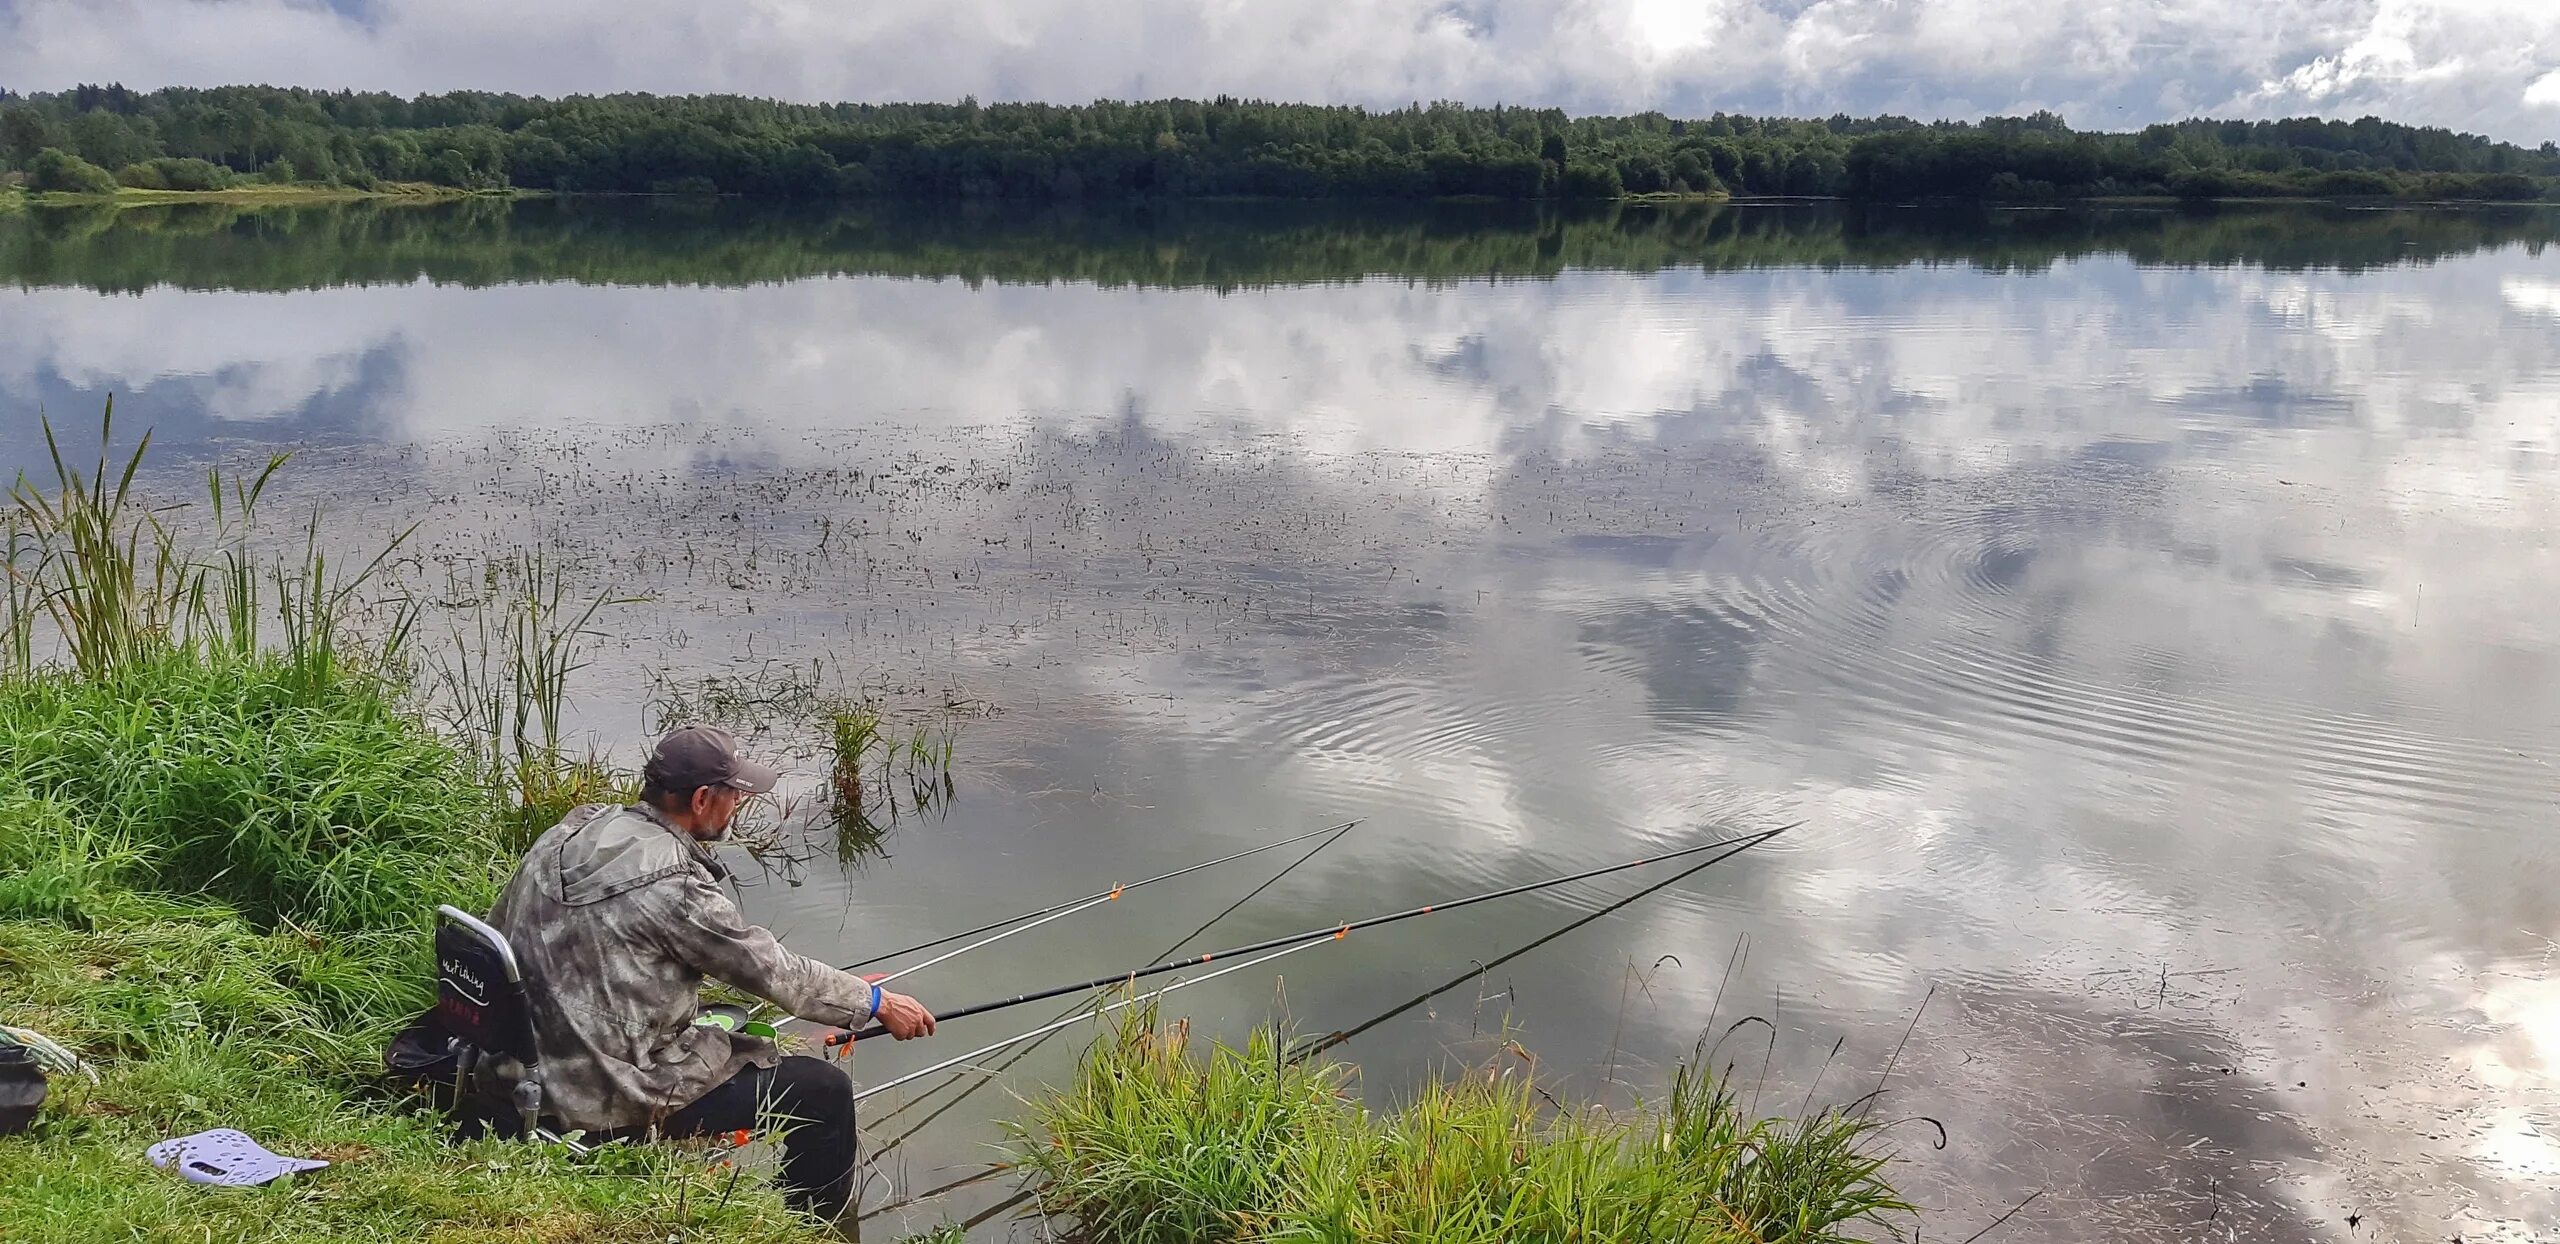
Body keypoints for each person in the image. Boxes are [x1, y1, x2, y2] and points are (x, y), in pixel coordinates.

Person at [488, 723, 936, 1220]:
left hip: (515, 1058)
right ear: (702, 798)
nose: (739, 804)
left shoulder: (572, 830)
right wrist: (874, 1002)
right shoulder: (675, 886)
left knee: (727, 1029)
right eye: (735, 793)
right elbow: (769, 968)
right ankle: (815, 1228)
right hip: (597, 1091)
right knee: (824, 1092)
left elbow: (500, 929)